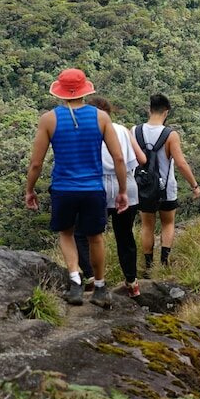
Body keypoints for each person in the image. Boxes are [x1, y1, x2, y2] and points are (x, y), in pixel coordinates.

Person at [25, 68, 128, 308]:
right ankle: (101, 287)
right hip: (93, 187)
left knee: (67, 233)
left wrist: (30, 190)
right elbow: (119, 159)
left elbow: (36, 163)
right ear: (84, 90)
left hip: (63, 187)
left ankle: (75, 282)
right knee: (96, 237)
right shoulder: (101, 118)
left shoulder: (49, 119)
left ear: (60, 91)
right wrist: (122, 191)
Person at [75, 96, 147, 298]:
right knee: (125, 236)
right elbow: (142, 159)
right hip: (127, 185)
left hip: (97, 185)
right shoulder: (123, 130)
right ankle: (132, 283)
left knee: (83, 233)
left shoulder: (85, 130)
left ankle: (92, 278)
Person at [136, 93, 200, 272]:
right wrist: (194, 185)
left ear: (149, 110)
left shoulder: (135, 130)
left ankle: (148, 266)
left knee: (147, 225)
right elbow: (180, 163)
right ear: (166, 112)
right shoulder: (170, 134)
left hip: (144, 188)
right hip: (166, 188)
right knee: (168, 223)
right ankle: (164, 263)